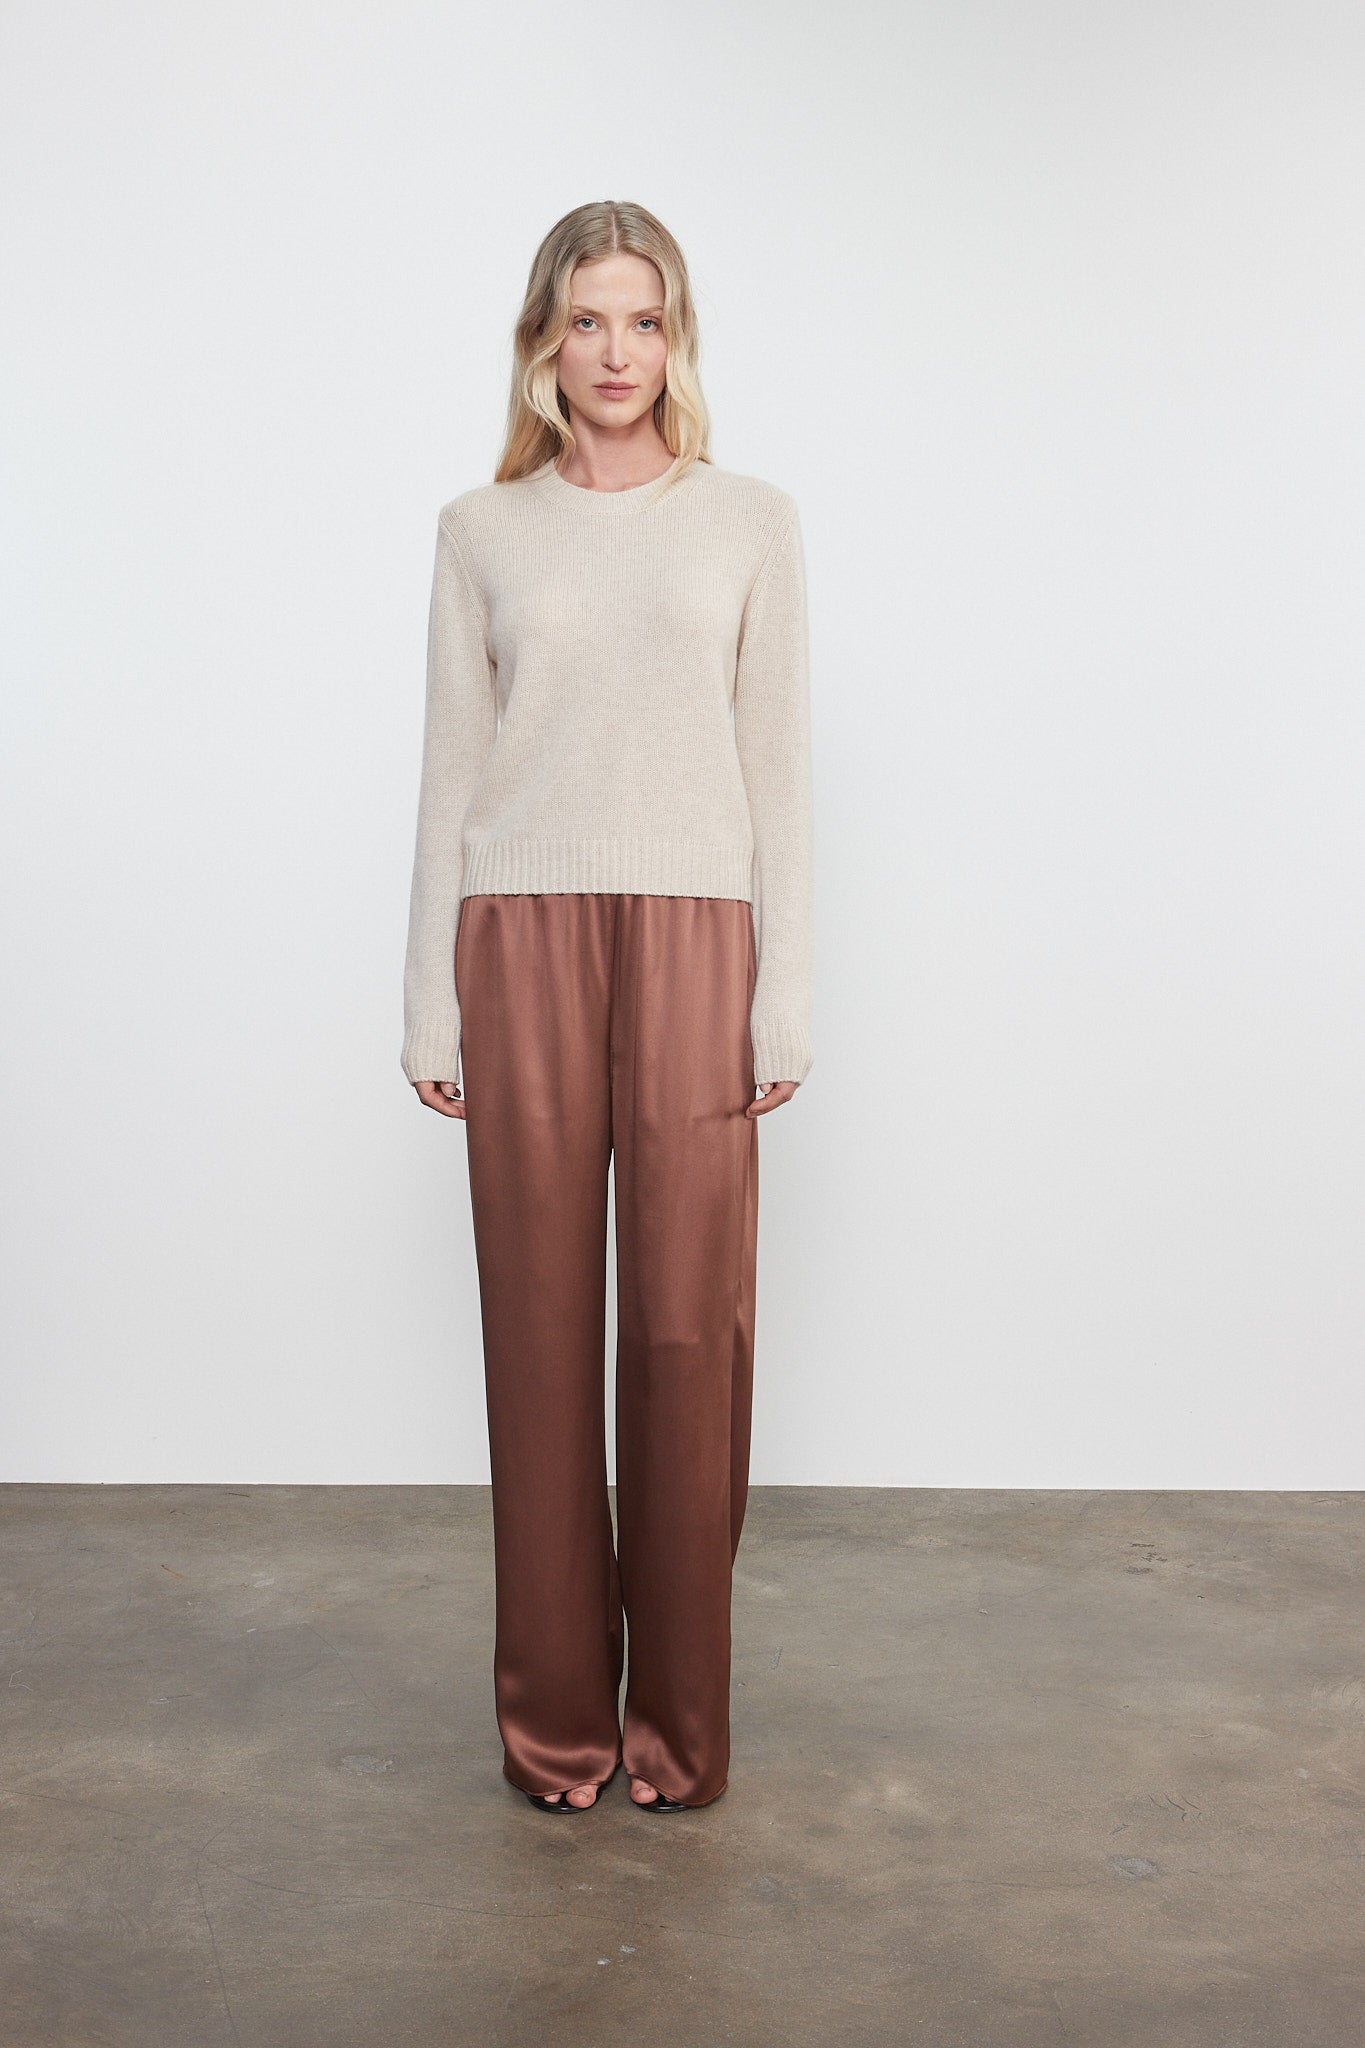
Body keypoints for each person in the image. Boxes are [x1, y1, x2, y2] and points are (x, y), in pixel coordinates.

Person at [400, 199, 814, 1814]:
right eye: (586, 321)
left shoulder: (750, 523)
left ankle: (678, 1730)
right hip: (519, 936)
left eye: (643, 321)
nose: (616, 352)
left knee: (685, 1333)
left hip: (701, 932)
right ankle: (559, 1726)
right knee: (538, 1330)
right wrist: (428, 1002)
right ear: (543, 344)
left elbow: (777, 768)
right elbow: (451, 774)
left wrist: (784, 991)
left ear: (676, 338)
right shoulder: (479, 532)